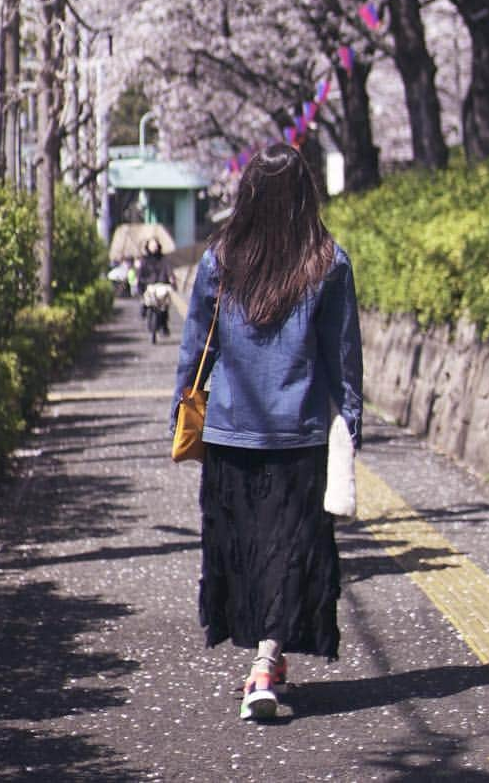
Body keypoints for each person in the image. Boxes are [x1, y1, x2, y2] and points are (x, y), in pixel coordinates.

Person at [169, 142, 363, 723]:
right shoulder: (328, 261)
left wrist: (180, 407)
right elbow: (342, 356)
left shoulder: (220, 260)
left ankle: (263, 661)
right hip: (298, 436)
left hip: (231, 431)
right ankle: (267, 660)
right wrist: (349, 422)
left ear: (247, 194)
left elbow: (195, 349)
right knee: (288, 551)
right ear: (306, 195)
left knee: (246, 549)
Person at [138, 237, 176, 335]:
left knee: (165, 303)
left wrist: (171, 278)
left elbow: (169, 270)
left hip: (162, 285)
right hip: (149, 285)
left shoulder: (163, 259)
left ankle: (164, 324)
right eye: (152, 245)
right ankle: (144, 308)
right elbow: (140, 275)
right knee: (146, 299)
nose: (154, 247)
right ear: (148, 246)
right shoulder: (144, 260)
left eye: (155, 245)